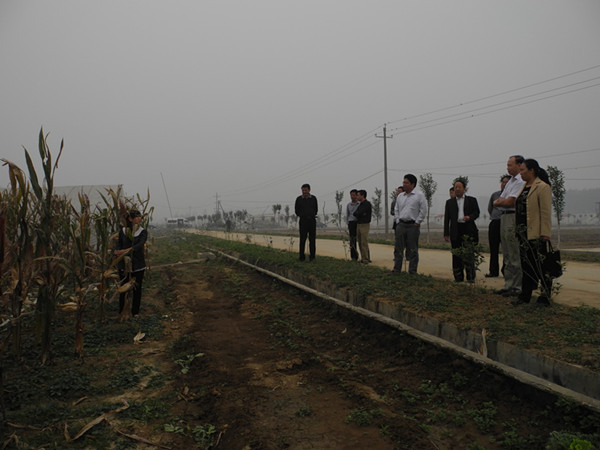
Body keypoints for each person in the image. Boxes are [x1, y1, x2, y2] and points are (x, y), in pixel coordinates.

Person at [512, 159, 553, 307]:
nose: (521, 173)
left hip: (536, 234)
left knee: (542, 267)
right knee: (526, 266)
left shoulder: (542, 187)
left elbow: (545, 212)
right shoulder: (523, 187)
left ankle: (544, 297)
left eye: (523, 170)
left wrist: (545, 233)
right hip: (523, 234)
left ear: (532, 170)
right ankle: (525, 296)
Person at [492, 155, 526, 298]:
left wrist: (500, 202)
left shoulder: (520, 181)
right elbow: (499, 199)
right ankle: (508, 284)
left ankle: (517, 287)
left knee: (513, 252)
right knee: (506, 252)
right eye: (507, 165)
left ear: (519, 165)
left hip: (513, 217)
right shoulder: (510, 182)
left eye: (510, 165)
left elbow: (510, 201)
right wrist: (501, 202)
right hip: (504, 217)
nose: (508, 168)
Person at [444, 178, 480, 282]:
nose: (457, 189)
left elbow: (476, 212)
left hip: (468, 229)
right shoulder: (450, 202)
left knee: (469, 254)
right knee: (456, 254)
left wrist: (470, 217)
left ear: (464, 189)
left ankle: (470, 277)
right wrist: (446, 233)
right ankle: (458, 277)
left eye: (459, 187)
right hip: (456, 229)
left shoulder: (472, 200)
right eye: (455, 187)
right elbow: (447, 219)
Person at [115, 209, 148, 317]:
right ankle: (122, 310)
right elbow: (119, 244)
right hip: (124, 265)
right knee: (123, 288)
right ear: (130, 219)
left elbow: (139, 246)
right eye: (137, 216)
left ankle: (135, 312)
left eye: (140, 216)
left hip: (138, 264)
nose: (139, 218)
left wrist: (124, 251)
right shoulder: (123, 231)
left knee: (137, 289)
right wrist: (116, 251)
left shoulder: (143, 232)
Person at [393, 174, 427, 274]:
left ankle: (412, 271)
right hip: (401, 225)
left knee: (413, 249)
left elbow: (423, 210)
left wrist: (417, 222)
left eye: (406, 182)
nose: (404, 184)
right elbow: (396, 209)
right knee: (398, 248)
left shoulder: (419, 195)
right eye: (403, 182)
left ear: (413, 184)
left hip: (413, 226)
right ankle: (396, 270)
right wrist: (398, 221)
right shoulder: (400, 196)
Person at [486, 175, 510, 278]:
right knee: (493, 248)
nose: (504, 184)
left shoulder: (512, 196)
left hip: (506, 222)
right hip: (495, 223)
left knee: (507, 248)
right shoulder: (495, 195)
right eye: (503, 182)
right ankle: (493, 271)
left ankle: (506, 270)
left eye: (506, 182)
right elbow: (490, 208)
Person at [294, 183, 318, 261]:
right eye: (303, 190)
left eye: (305, 190)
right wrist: (302, 215)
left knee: (312, 239)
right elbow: (296, 210)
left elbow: (316, 209)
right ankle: (301, 257)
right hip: (303, 221)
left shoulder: (313, 198)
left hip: (312, 221)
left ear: (309, 190)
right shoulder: (299, 199)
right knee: (302, 239)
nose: (304, 192)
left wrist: (311, 214)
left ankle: (312, 257)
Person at [353, 189, 372, 264]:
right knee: (360, 242)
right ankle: (364, 257)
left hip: (364, 224)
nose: (356, 197)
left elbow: (359, 212)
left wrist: (359, 213)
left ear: (362, 196)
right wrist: (360, 213)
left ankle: (366, 259)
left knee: (364, 242)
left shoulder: (367, 204)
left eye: (358, 195)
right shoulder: (360, 204)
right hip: (359, 224)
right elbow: (355, 213)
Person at [346, 189, 360, 261]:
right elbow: (347, 214)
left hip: (358, 222)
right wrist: (348, 223)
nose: (352, 196)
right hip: (351, 223)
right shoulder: (348, 205)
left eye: (353, 195)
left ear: (357, 195)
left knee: (361, 240)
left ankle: (365, 257)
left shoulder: (360, 204)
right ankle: (353, 256)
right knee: (352, 240)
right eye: (351, 195)